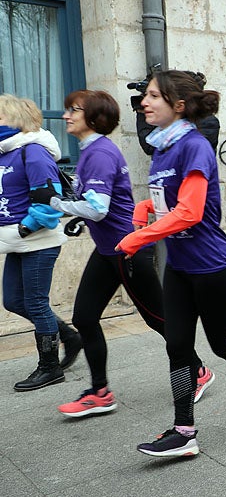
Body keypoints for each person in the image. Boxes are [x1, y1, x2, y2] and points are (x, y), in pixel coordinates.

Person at [116, 70, 226, 457]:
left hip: (210, 264)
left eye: (154, 96)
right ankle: (184, 431)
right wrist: (144, 209)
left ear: (178, 105)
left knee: (223, 345)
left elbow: (190, 211)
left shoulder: (194, 145)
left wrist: (138, 238)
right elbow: (166, 201)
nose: (144, 102)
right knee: (177, 344)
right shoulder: (162, 148)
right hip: (178, 264)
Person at [36, 91, 214, 416]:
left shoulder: (101, 153)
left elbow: (98, 208)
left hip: (127, 250)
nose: (66, 116)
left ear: (93, 117)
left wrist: (54, 202)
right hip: (107, 250)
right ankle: (100, 392)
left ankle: (199, 371)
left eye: (73, 110)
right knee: (85, 318)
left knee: (159, 320)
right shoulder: (90, 152)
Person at [0, 95, 78, 391]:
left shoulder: (33, 152)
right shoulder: (5, 151)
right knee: (14, 301)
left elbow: (49, 202)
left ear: (16, 119)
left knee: (34, 301)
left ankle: (50, 366)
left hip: (37, 240)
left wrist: (22, 229)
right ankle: (69, 337)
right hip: (15, 241)